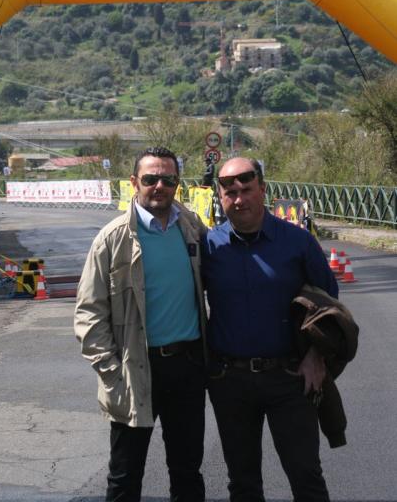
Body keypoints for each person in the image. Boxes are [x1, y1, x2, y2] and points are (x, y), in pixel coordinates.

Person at [201, 157, 339, 502]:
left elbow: (329, 305)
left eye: (247, 190)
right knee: (242, 482)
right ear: (220, 197)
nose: (239, 199)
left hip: (290, 378)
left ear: (263, 190)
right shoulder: (209, 246)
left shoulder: (298, 242)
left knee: (306, 476)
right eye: (230, 193)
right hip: (229, 381)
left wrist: (316, 356)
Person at [74, 146, 207, 502]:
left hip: (187, 367)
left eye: (168, 179)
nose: (159, 186)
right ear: (134, 182)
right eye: (150, 179)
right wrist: (112, 373)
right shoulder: (112, 239)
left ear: (178, 183)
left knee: (187, 471)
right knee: (125, 476)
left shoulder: (192, 227)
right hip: (134, 370)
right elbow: (88, 313)